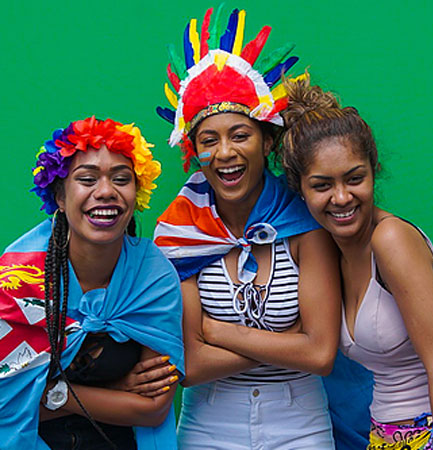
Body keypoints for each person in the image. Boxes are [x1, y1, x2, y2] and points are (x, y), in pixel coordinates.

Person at [154, 7, 341, 449]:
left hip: (302, 425)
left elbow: (321, 354)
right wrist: (290, 342)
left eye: (240, 134)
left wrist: (216, 334)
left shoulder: (303, 223)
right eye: (208, 140)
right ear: (194, 151)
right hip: (207, 426)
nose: (224, 152)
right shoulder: (180, 233)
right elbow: (191, 366)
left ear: (267, 140)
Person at [281, 74, 433, 449]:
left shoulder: (391, 241)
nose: (341, 197)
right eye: (322, 185)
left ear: (374, 171)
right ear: (300, 189)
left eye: (354, 178)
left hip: (432, 434)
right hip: (385, 437)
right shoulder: (329, 252)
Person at [0, 116, 184, 449]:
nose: (105, 192)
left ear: (136, 193)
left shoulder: (151, 275)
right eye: (86, 179)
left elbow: (154, 408)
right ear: (59, 196)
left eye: (121, 179)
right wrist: (116, 391)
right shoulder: (19, 277)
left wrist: (53, 394)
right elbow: (5, 402)